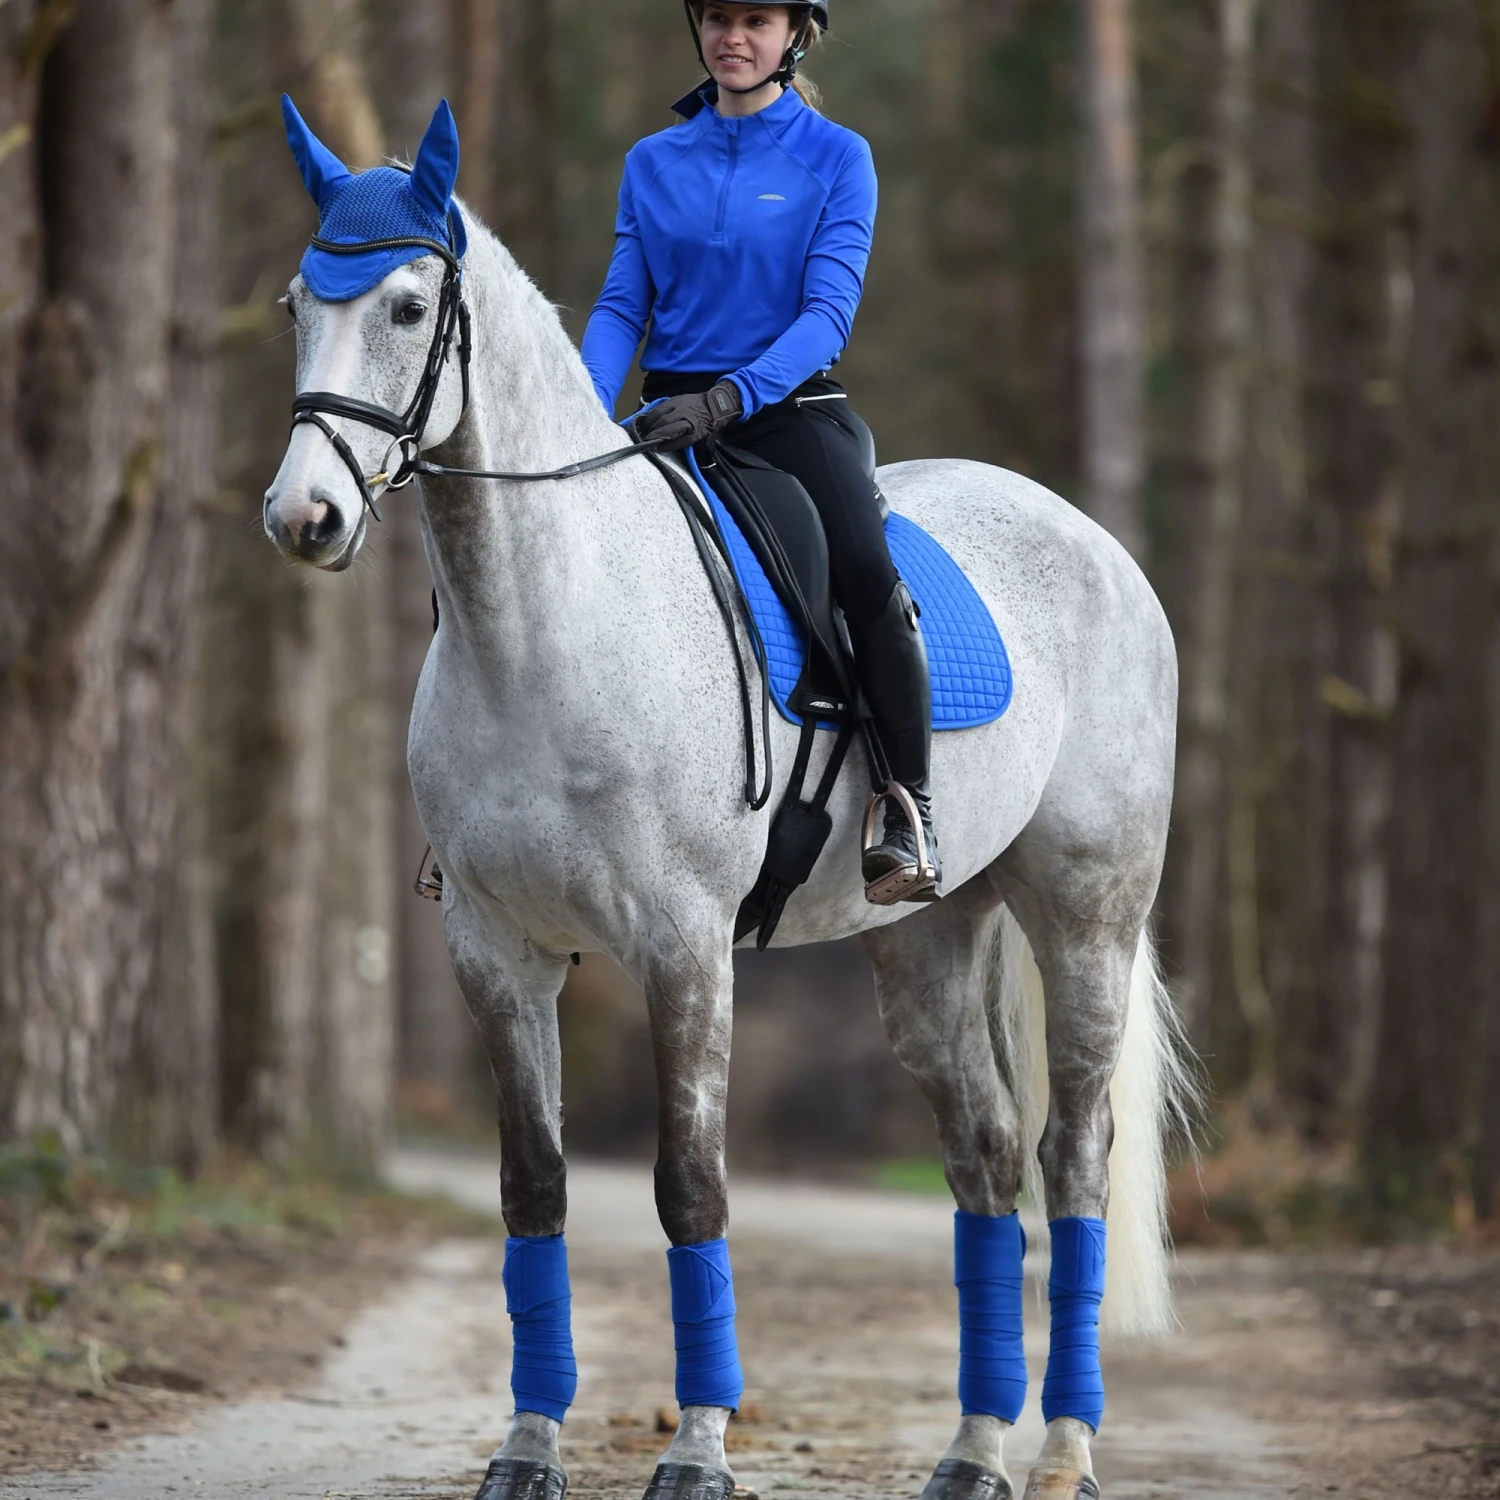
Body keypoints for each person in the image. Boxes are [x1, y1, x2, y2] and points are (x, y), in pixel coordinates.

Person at [581, 0, 942, 904]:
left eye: (755, 20)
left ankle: (907, 804)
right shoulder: (652, 162)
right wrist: (582, 418)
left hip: (788, 410)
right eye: (716, 19)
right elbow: (624, 307)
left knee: (865, 571)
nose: (731, 38)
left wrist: (731, 397)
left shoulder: (836, 157)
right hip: (667, 416)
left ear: (796, 36)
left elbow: (827, 318)